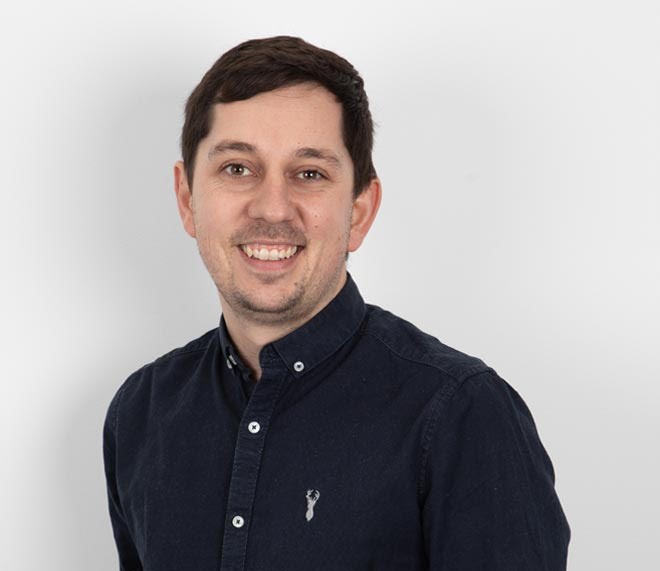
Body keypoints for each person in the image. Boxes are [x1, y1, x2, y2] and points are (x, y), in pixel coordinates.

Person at [103, 36, 570, 570]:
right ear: (188, 199)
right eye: (237, 168)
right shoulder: (141, 413)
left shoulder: (462, 415)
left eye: (310, 174)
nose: (272, 208)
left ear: (360, 211)